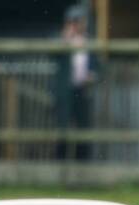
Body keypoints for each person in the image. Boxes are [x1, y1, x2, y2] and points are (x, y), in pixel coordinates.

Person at [58, 5, 98, 160]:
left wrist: (93, 75)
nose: (76, 25)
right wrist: (64, 40)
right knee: (63, 129)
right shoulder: (61, 39)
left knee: (83, 129)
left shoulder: (89, 41)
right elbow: (51, 54)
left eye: (78, 21)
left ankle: (83, 167)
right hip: (65, 91)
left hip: (83, 90)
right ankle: (60, 167)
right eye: (73, 21)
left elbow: (98, 66)